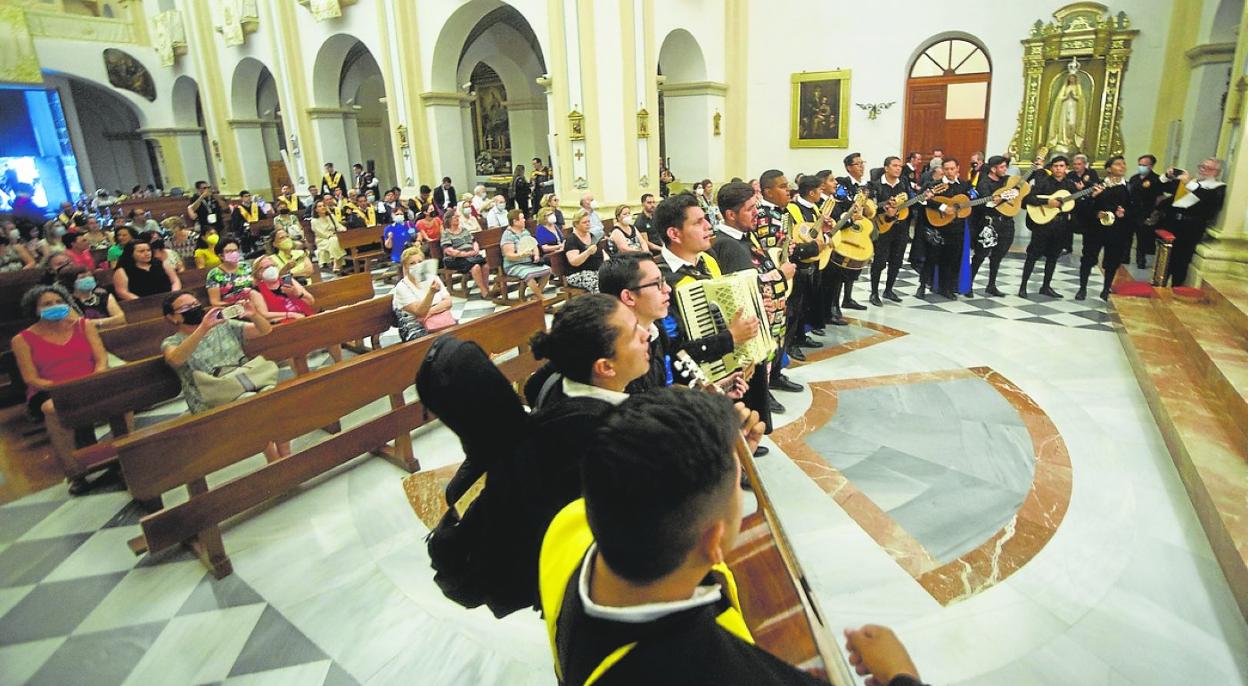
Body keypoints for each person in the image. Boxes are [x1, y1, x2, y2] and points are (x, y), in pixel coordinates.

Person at [538, 389, 847, 686]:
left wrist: (719, 472)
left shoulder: (569, 524)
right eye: (738, 488)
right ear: (714, 541)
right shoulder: (727, 668)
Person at [160, 291, 288, 461]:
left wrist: (254, 315)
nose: (193, 309)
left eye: (195, 304)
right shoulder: (171, 342)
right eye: (186, 307)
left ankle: (286, 457)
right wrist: (203, 328)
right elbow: (176, 359)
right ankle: (276, 461)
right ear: (173, 317)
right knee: (252, 405)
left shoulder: (224, 325)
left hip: (244, 381)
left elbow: (264, 330)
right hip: (212, 396)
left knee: (273, 397)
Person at [12, 285, 111, 494]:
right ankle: (75, 473)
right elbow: (31, 378)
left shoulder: (84, 326)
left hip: (89, 381)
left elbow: (101, 358)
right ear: (35, 310)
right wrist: (63, 388)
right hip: (50, 389)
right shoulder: (22, 339)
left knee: (124, 399)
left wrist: (96, 376)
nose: (54, 306)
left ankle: (120, 456)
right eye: (47, 304)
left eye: (58, 302)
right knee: (53, 409)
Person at [752, 170, 802, 395]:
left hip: (782, 276)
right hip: (768, 280)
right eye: (782, 187)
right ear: (768, 192)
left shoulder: (784, 212)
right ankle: (765, 385)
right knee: (770, 334)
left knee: (780, 330)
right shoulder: (761, 213)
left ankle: (776, 375)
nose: (788, 190)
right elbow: (764, 247)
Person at [1020, 156, 1084, 298]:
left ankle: (1046, 287)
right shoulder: (1043, 183)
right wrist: (1047, 201)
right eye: (1055, 166)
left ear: (1066, 168)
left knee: (1053, 257)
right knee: (1032, 256)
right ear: (1051, 168)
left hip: (1061, 226)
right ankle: (1023, 287)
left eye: (1061, 166)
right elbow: (1027, 200)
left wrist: (1087, 194)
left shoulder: (1070, 186)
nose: (1058, 169)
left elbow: (1076, 205)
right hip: (1042, 225)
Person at [1161, 158, 1226, 286]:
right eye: (1201, 166)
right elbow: (1163, 187)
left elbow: (1207, 201)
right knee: (1166, 259)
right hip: (1173, 223)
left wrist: (1189, 183)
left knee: (1181, 260)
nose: (1202, 169)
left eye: (1207, 168)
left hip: (1191, 228)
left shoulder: (1218, 188)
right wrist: (1167, 176)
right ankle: (1161, 283)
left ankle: (1176, 287)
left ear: (1216, 172)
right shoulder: (1191, 182)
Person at [1074, 156, 1131, 300]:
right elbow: (1082, 207)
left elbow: (1135, 209)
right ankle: (1082, 289)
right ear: (1108, 169)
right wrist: (1095, 207)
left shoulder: (1129, 187)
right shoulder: (1097, 186)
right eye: (1118, 164)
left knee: (1112, 260)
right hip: (1096, 229)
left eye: (1123, 164)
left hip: (1117, 230)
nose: (1122, 166)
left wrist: (1124, 213)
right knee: (1088, 258)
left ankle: (1106, 289)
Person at [870, 156, 919, 305]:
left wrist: (922, 197)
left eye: (900, 166)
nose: (898, 168)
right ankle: (874, 292)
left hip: (901, 227)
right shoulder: (876, 185)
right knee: (879, 261)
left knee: (896, 260)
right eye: (895, 165)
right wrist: (885, 208)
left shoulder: (904, 183)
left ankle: (889, 289)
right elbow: (871, 207)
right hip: (883, 228)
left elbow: (911, 200)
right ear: (886, 168)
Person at [920, 157, 971, 300]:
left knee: (952, 259)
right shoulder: (935, 185)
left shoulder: (964, 185)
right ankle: (924, 285)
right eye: (946, 169)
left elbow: (972, 198)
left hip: (957, 227)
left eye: (952, 169)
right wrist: (942, 207)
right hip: (938, 227)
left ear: (958, 169)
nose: (949, 172)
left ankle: (947, 287)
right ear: (942, 170)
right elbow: (924, 200)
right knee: (932, 257)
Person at [967, 155, 1017, 298]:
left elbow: (1019, 186)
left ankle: (991, 285)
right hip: (989, 223)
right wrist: (1002, 198)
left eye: (1005, 166)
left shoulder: (1006, 181)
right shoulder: (984, 183)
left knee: (998, 256)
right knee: (981, 255)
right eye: (1002, 167)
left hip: (1006, 222)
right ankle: (968, 284)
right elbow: (986, 203)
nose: (1005, 169)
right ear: (993, 169)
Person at [392, 245, 453, 341]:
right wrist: (431, 293)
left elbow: (448, 302)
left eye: (420, 262)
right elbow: (419, 312)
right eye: (412, 263)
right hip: (414, 329)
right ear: (405, 267)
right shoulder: (402, 287)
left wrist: (430, 312)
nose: (417, 266)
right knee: (443, 343)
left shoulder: (433, 278)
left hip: (440, 321)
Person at [440, 209, 491, 298]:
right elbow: (448, 250)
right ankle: (483, 291)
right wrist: (465, 254)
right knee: (476, 267)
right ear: (449, 220)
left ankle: (486, 287)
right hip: (455, 258)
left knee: (485, 266)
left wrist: (475, 250)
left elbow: (474, 241)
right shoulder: (446, 233)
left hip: (470, 255)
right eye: (455, 217)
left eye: (458, 216)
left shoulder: (464, 230)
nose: (457, 218)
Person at [501, 209, 552, 299]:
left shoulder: (525, 232)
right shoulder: (508, 235)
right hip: (513, 265)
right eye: (522, 218)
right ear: (515, 221)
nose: (524, 220)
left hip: (528, 262)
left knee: (548, 270)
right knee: (529, 275)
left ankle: (536, 295)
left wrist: (536, 255)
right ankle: (541, 298)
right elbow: (509, 255)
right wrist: (521, 255)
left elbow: (534, 245)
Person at [251, 255, 316, 324]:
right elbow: (264, 314)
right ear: (258, 273)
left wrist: (297, 294)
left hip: (306, 318)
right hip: (283, 325)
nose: (271, 269)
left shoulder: (287, 280)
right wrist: (290, 315)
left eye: (273, 265)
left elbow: (311, 301)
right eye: (267, 267)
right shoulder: (256, 290)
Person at [1127, 153, 1163, 269]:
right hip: (1132, 210)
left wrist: (1154, 213)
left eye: (1144, 165)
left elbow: (1159, 198)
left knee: (1142, 238)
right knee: (1127, 236)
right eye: (1140, 164)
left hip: (1145, 212)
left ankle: (1141, 260)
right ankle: (1125, 257)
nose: (1141, 167)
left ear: (1151, 166)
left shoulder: (1156, 180)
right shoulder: (1134, 178)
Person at [113, 239, 180, 300]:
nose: (147, 253)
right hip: (140, 303)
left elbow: (175, 280)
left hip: (168, 298)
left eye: (148, 250)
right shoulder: (122, 270)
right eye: (141, 251)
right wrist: (141, 301)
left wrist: (173, 294)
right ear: (131, 254)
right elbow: (122, 292)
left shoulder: (161, 264)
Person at [565, 208, 608, 292]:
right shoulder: (572, 239)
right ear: (576, 224)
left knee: (615, 278)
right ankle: (602, 304)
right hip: (578, 273)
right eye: (584, 222)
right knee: (598, 284)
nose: (588, 224)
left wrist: (608, 265)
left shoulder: (592, 236)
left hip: (596, 270)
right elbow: (574, 262)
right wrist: (588, 252)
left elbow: (602, 252)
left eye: (588, 221)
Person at [205, 236, 255, 306]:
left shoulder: (246, 266)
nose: (234, 253)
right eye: (229, 251)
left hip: (254, 302)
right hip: (232, 308)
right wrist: (234, 304)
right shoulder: (214, 274)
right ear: (221, 256)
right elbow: (215, 302)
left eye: (235, 250)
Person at [310, 200, 347, 273]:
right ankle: (337, 263)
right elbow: (321, 233)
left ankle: (336, 261)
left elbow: (338, 226)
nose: (323, 207)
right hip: (322, 240)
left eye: (324, 206)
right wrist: (331, 235)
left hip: (335, 237)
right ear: (316, 209)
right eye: (320, 206)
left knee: (334, 240)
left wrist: (343, 230)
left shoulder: (331, 216)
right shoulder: (314, 221)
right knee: (333, 240)